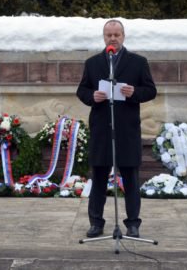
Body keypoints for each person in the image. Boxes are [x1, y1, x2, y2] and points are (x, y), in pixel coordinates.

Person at [76, 19, 157, 238]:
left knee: (130, 179)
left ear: (123, 36)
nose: (113, 38)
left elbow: (150, 90)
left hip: (127, 131)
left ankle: (132, 224)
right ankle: (96, 223)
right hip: (102, 131)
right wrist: (92, 96)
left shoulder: (138, 62)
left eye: (117, 34)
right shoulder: (92, 63)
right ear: (104, 37)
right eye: (109, 35)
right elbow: (82, 91)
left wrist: (134, 93)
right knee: (99, 179)